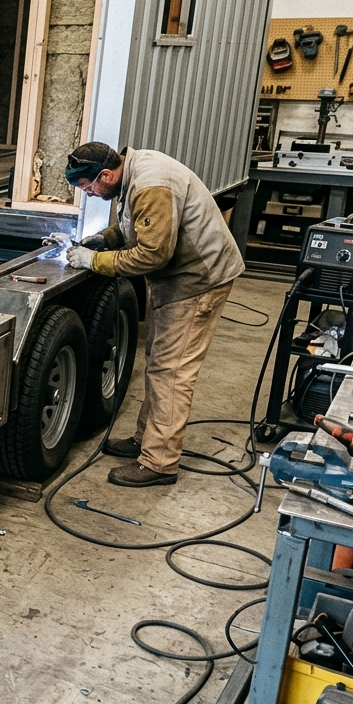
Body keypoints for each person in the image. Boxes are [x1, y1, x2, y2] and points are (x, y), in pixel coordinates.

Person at [61, 141, 245, 488]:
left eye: (87, 187)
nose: (87, 194)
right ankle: (146, 439)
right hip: (179, 280)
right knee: (159, 361)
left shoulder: (150, 185)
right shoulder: (130, 172)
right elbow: (135, 226)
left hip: (198, 281)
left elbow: (152, 255)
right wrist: (104, 239)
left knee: (171, 372)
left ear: (104, 174)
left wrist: (94, 261)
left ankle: (159, 462)